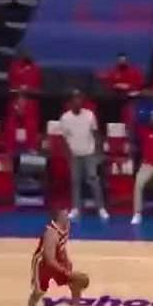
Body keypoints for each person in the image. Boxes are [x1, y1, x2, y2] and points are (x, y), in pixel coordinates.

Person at [22, 209, 97, 306]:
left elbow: (62, 244)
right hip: (43, 264)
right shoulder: (51, 233)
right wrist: (66, 272)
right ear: (58, 217)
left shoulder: (66, 225)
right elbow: (49, 260)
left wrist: (66, 260)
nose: (68, 215)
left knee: (75, 284)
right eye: (65, 213)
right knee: (39, 292)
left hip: (57, 258)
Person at [59, 91, 108, 221]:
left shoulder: (89, 115)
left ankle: (101, 208)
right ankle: (76, 208)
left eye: (79, 99)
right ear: (70, 102)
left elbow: (96, 134)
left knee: (94, 180)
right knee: (75, 181)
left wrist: (99, 152)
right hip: (75, 155)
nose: (77, 102)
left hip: (89, 153)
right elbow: (64, 139)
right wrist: (68, 155)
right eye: (75, 100)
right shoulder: (65, 118)